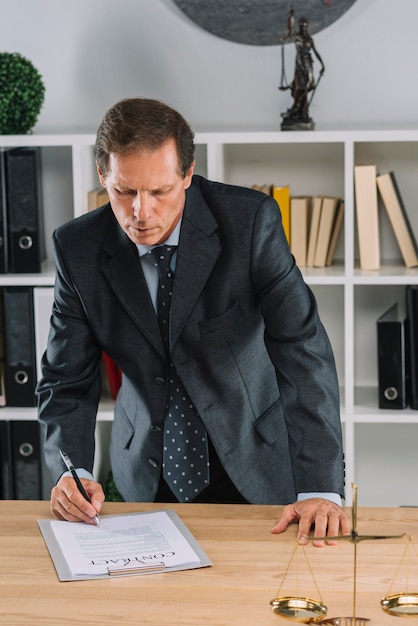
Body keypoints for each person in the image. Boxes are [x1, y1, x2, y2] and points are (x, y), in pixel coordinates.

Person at [36, 97, 350, 546]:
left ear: (187, 174)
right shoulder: (77, 248)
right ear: (103, 176)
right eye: (124, 191)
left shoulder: (250, 224)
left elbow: (303, 350)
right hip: (146, 468)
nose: (140, 212)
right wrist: (74, 470)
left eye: (160, 191)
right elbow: (65, 379)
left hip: (255, 456)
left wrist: (321, 486)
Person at [282, 16, 325, 123]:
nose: (304, 29)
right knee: (298, 87)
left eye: (305, 27)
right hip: (299, 63)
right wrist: (291, 17)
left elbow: (316, 52)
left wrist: (323, 65)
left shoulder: (310, 39)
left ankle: (297, 108)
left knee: (309, 84)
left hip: (307, 63)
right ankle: (297, 109)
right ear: (300, 27)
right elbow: (290, 31)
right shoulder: (297, 37)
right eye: (302, 26)